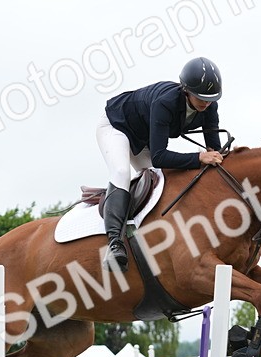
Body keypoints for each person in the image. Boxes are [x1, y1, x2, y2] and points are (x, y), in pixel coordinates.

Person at [96, 56, 225, 271]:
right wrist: (198, 157)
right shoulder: (166, 102)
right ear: (186, 90)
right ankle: (114, 243)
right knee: (121, 172)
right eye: (200, 97)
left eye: (210, 98)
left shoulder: (210, 107)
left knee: (162, 183)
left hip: (144, 138)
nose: (206, 102)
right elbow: (160, 157)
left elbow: (215, 150)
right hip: (116, 126)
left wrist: (217, 157)